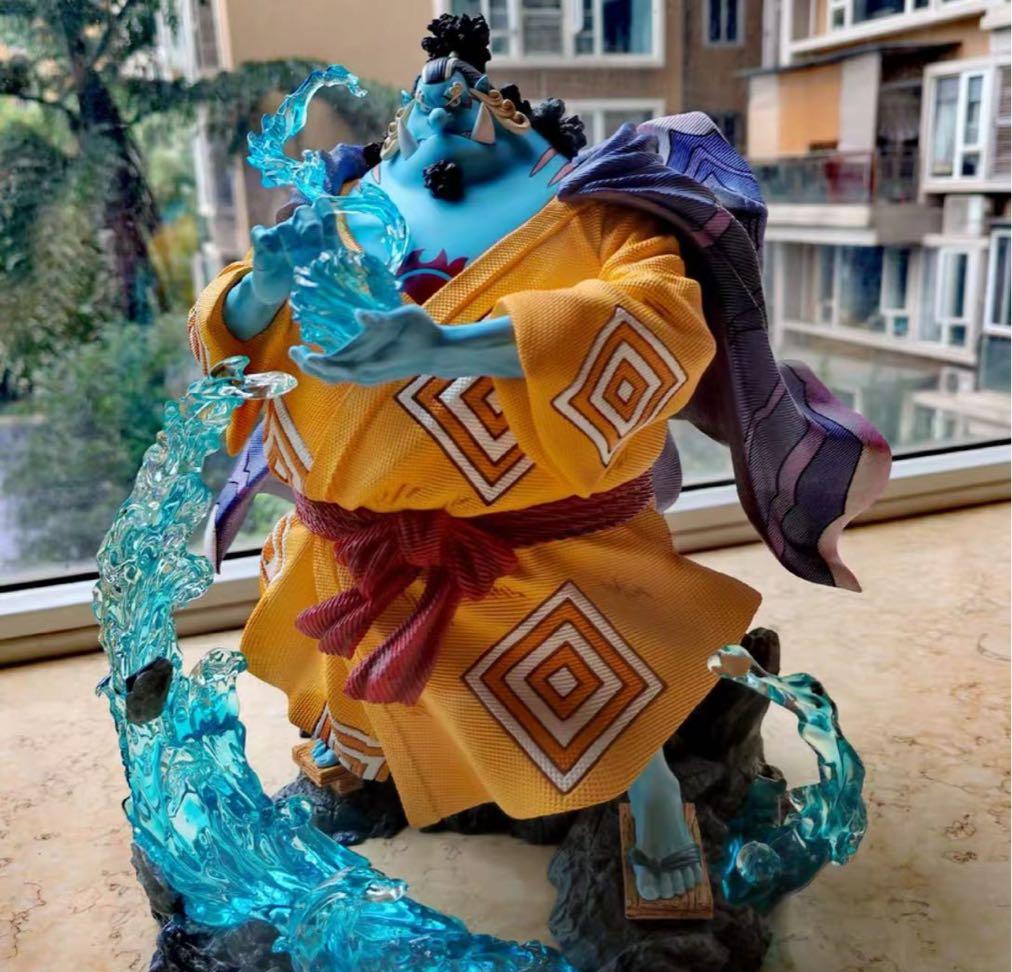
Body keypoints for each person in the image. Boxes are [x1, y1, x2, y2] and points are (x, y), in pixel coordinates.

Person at [190, 14, 889, 903]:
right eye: (428, 92)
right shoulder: (342, 206)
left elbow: (659, 317)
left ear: (519, 115)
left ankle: (651, 792)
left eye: (474, 92)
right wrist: (259, 291)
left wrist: (447, 346)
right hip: (357, 533)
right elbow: (232, 331)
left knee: (598, 693)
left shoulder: (599, 212)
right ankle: (359, 759)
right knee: (352, 670)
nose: (448, 97)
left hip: (541, 546)